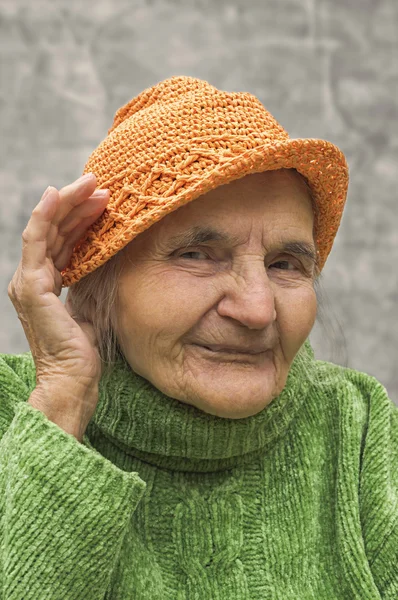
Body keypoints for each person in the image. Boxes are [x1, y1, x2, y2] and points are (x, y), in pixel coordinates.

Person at [0, 76, 396, 599]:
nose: (257, 310)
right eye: (197, 255)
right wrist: (62, 403)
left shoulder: (357, 425)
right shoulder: (17, 415)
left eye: (285, 264)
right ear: (98, 287)